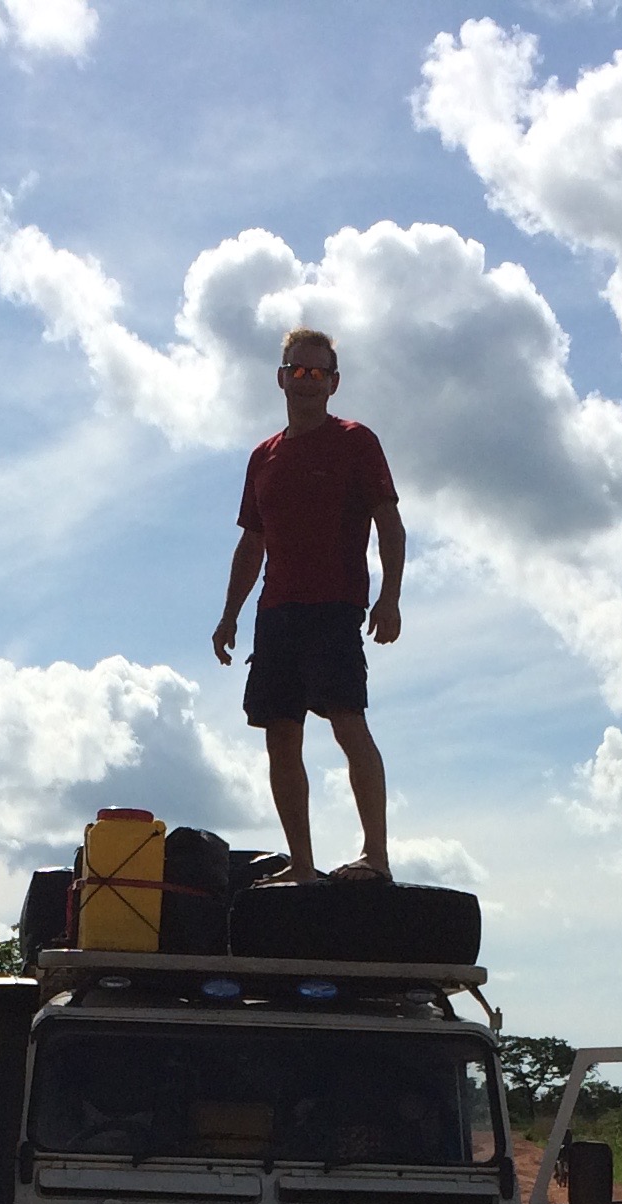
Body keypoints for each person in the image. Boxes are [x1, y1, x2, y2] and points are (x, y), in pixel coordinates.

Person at [211, 327, 404, 881]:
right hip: (277, 612)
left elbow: (389, 523)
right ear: (281, 377)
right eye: (298, 370)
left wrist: (389, 597)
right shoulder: (263, 457)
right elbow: (252, 542)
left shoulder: (355, 441)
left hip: (335, 605)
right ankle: (302, 864)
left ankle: (376, 856)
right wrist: (229, 615)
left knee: (347, 722)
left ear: (334, 382)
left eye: (318, 372)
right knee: (279, 734)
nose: (307, 380)